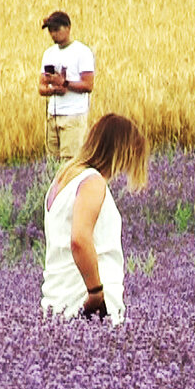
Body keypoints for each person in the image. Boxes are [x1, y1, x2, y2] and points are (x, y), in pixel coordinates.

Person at [42, 114, 149, 326]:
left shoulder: (62, 179)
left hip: (57, 303)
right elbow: (79, 239)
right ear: (121, 151)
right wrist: (96, 294)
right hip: (87, 308)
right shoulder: (93, 182)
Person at [37, 10, 95, 161]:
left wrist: (65, 83)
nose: (53, 34)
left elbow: (88, 85)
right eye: (50, 30)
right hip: (53, 116)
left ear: (68, 28)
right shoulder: (48, 54)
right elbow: (41, 87)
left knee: (70, 163)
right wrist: (53, 90)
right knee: (53, 163)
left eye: (56, 29)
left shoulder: (82, 52)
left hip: (73, 116)